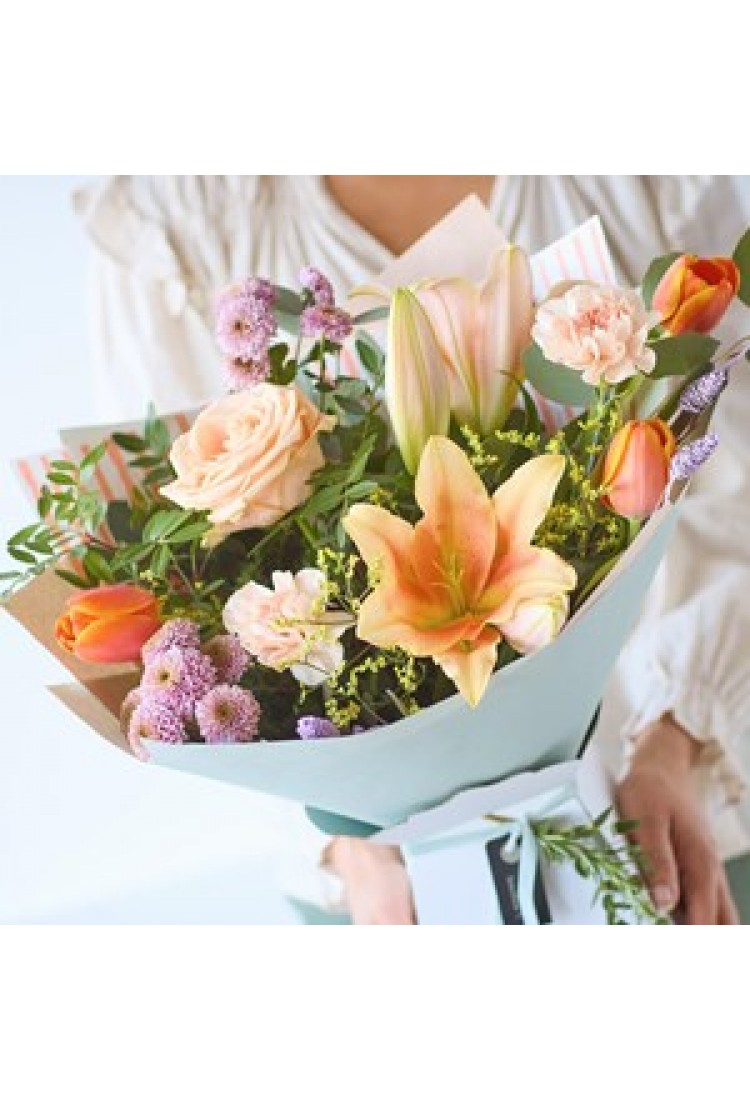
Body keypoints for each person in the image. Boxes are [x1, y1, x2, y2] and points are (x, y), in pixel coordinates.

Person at [75, 174, 750, 924]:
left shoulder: (645, 170)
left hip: (683, 823)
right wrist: (353, 844)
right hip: (389, 896)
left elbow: (736, 493)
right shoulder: (170, 219)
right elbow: (177, 593)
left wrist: (678, 740)